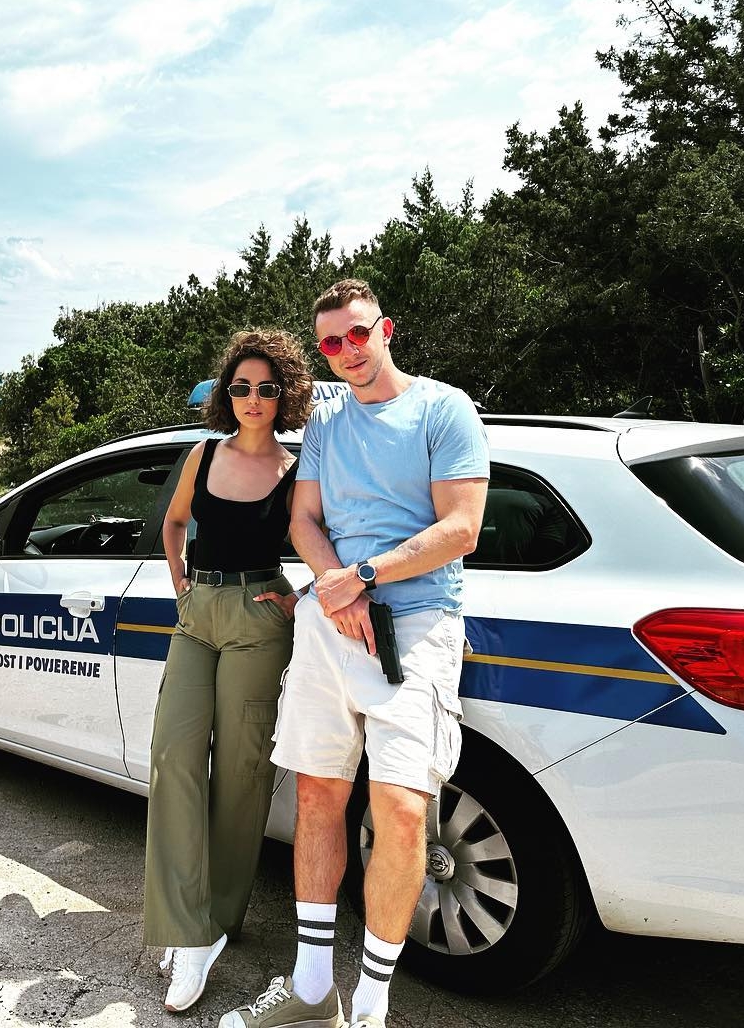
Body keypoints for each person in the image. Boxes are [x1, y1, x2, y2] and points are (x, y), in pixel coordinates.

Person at [221, 280, 488, 1028]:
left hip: (418, 626)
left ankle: (370, 1008)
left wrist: (364, 576)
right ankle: (312, 992)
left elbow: (462, 527)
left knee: (400, 812)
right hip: (330, 624)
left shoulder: (445, 409)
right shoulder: (328, 423)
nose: (348, 351)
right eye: (332, 342)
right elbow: (304, 518)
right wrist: (339, 591)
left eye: (359, 334)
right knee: (316, 796)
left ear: (386, 329)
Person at [144, 329, 314, 1013]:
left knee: (242, 774)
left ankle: (212, 925)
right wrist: (180, 584)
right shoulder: (204, 454)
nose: (252, 398)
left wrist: (302, 597)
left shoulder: (297, 470)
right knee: (173, 757)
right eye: (241, 386)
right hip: (199, 616)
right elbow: (174, 523)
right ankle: (187, 924)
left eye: (266, 388)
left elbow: (329, 538)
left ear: (284, 395)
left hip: (257, 619)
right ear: (227, 393)